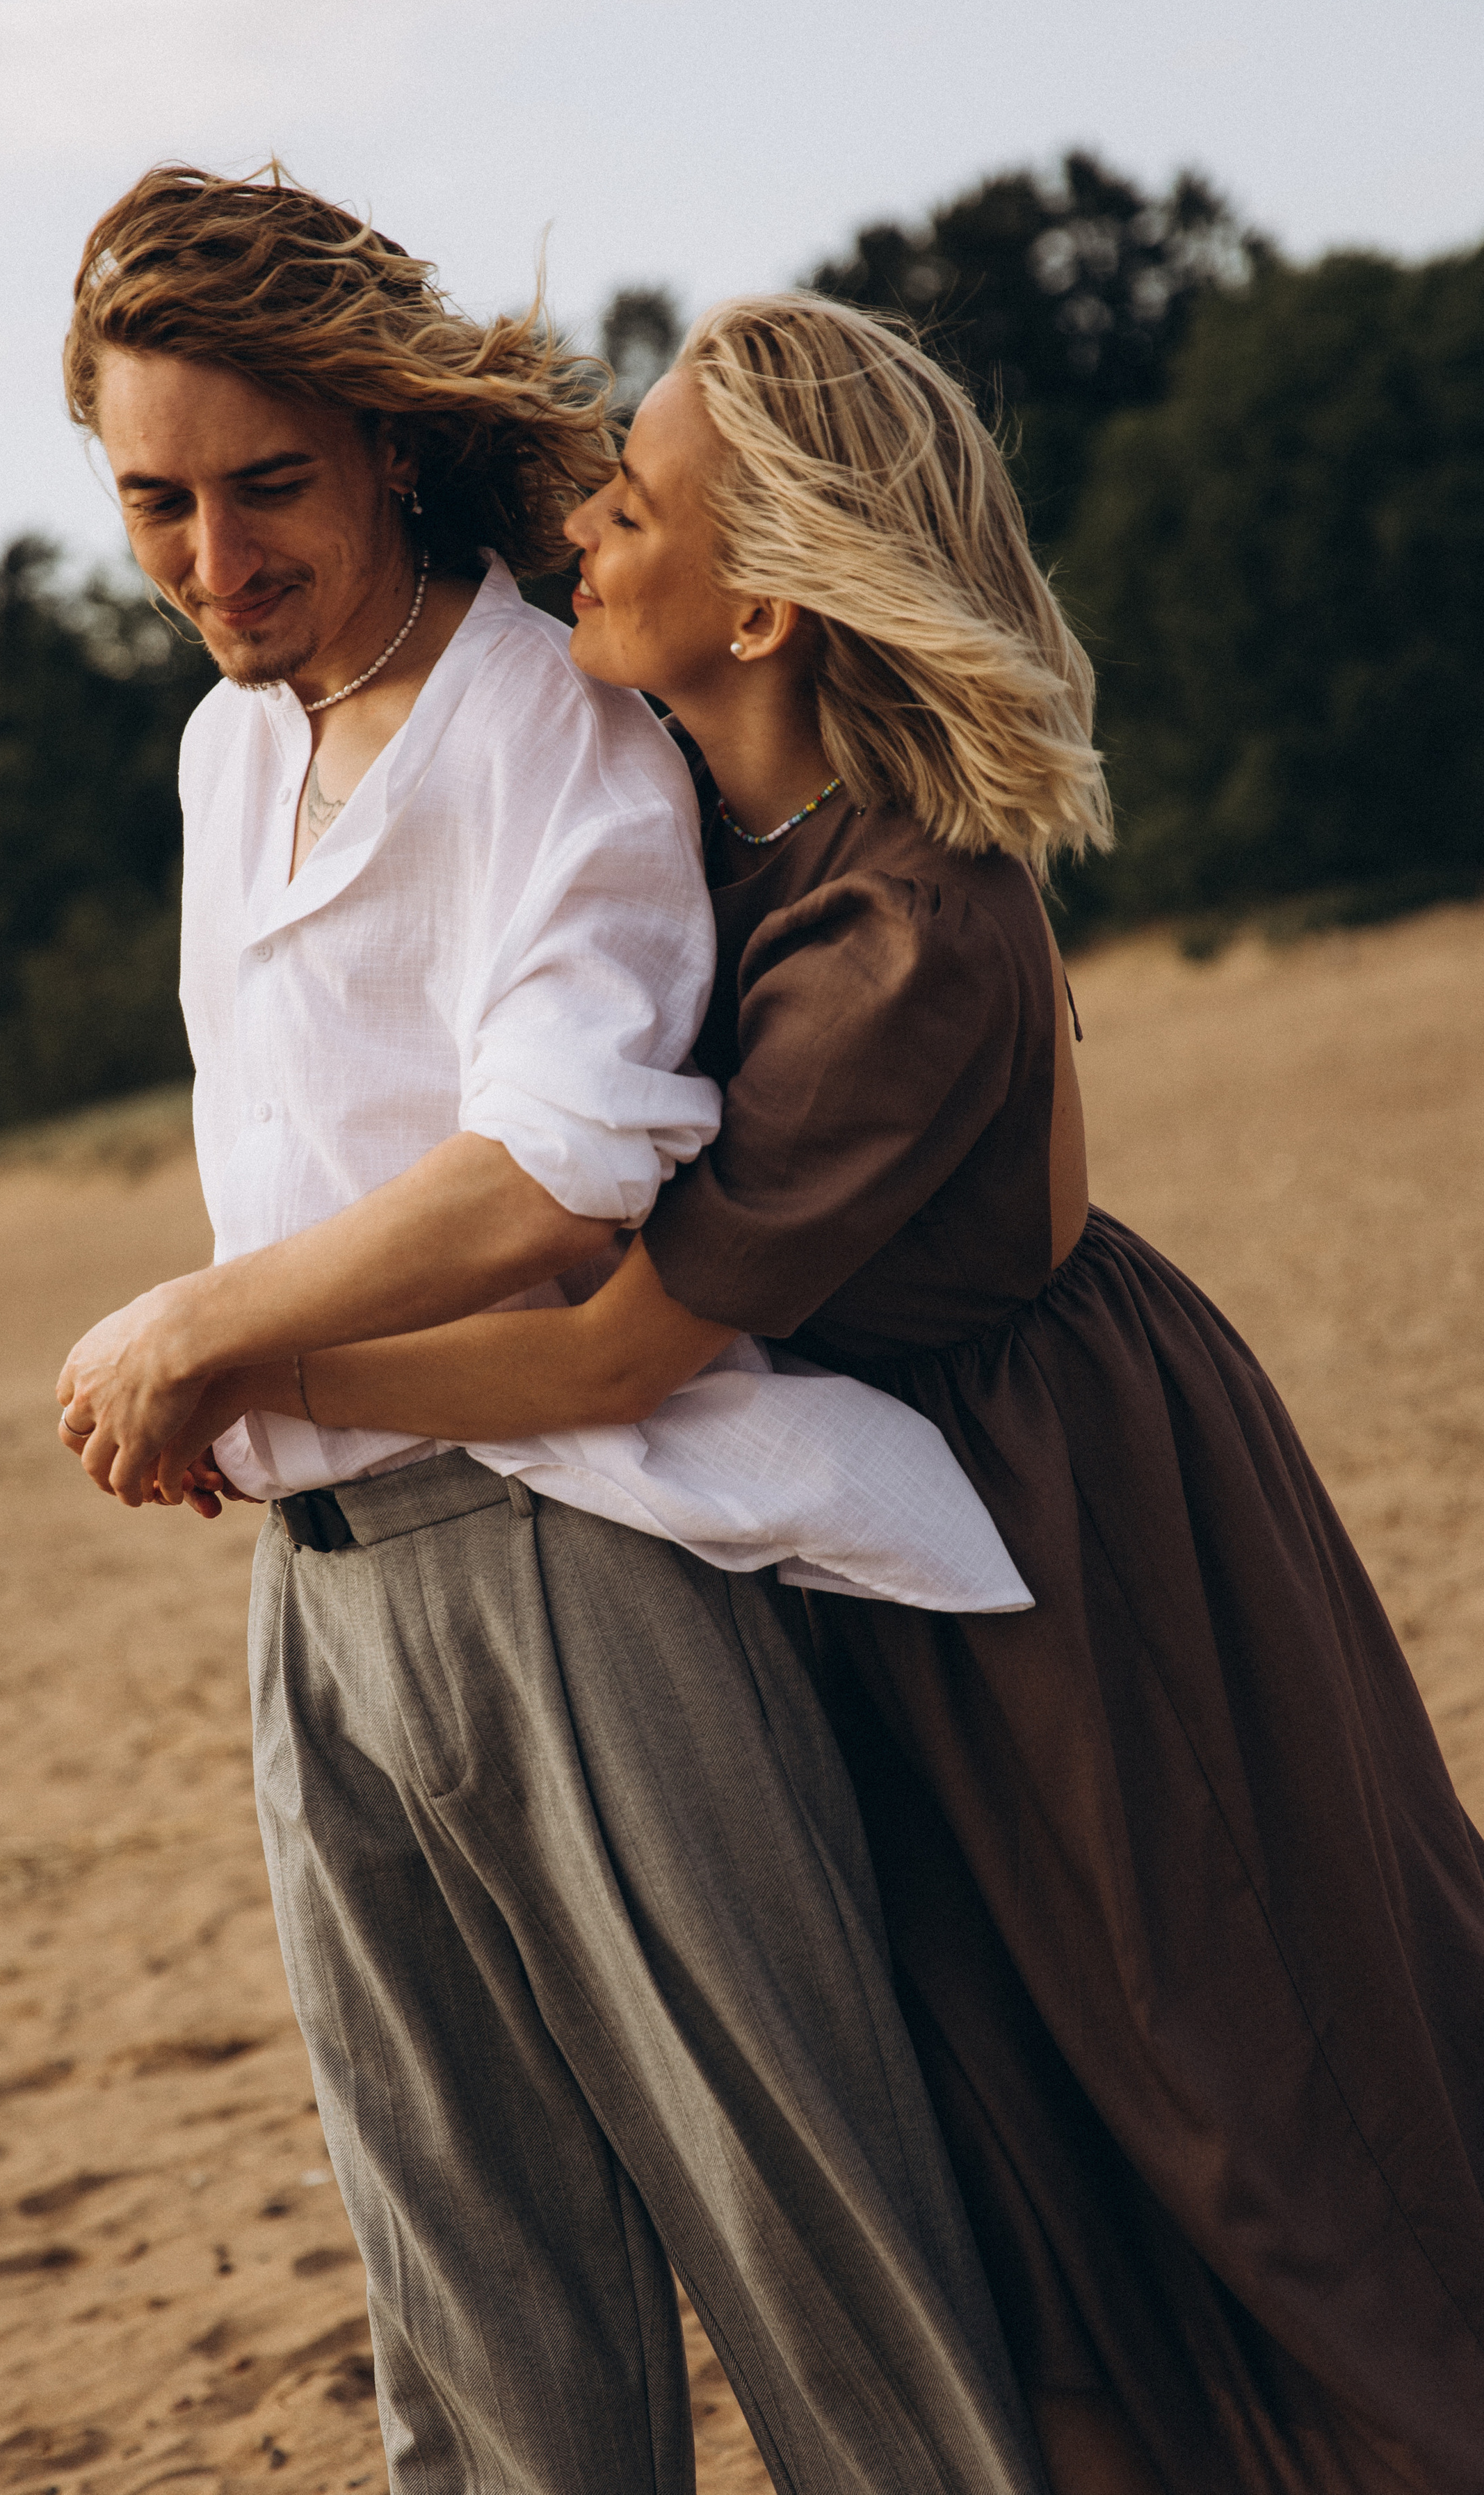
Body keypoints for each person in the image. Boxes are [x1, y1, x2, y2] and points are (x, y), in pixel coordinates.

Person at [214, 295, 1484, 2495]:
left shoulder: (903, 926)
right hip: (875, 1523)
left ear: (769, 596)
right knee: (1013, 2152)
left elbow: (621, 1348)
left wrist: (242, 1352)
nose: (581, 541)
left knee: (1243, 2112)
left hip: (1068, 1540)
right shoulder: (718, 816)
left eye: (628, 506)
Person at [53, 167, 1047, 2495]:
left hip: (581, 1572)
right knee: (477, 2341)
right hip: (320, 1622)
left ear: (387, 444)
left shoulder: (546, 724)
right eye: (155, 503)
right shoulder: (222, 757)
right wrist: (243, 1382)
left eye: (267, 486)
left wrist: (210, 1333)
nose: (217, 560)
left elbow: (559, 1171)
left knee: (831, 2287)